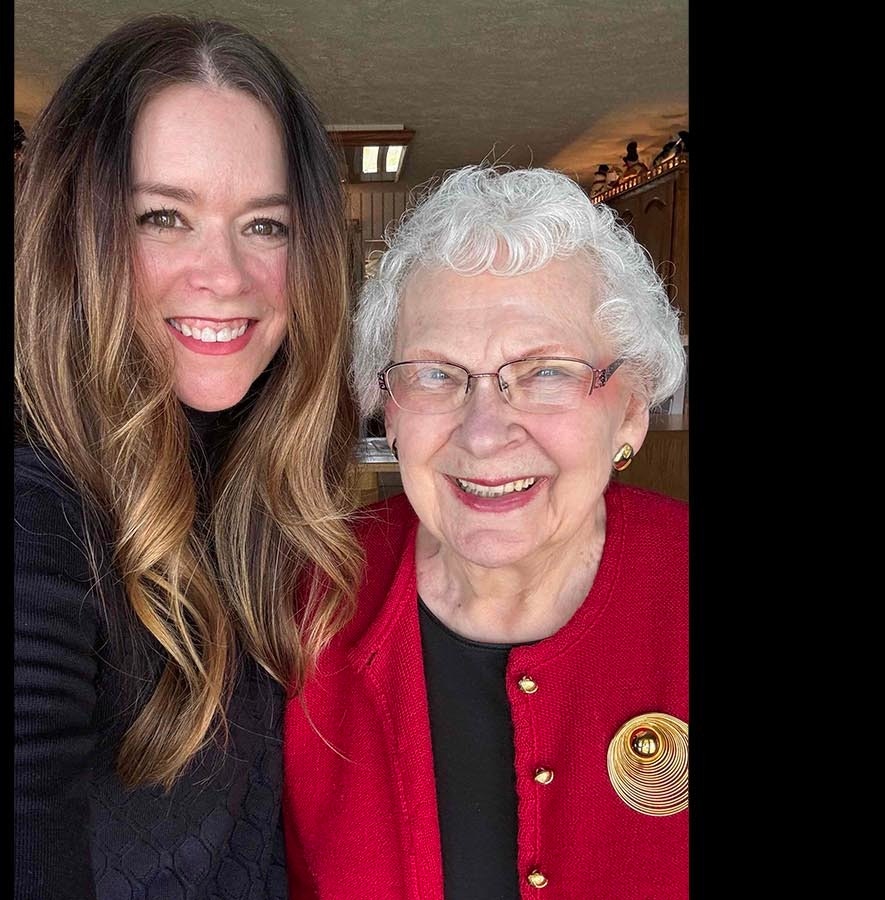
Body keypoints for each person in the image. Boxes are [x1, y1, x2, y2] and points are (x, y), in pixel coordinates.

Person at [14, 15, 363, 899]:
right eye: (163, 216)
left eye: (266, 226)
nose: (226, 275)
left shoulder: (262, 486)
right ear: (75, 237)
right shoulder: (35, 509)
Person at [284, 165, 689, 899]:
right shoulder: (306, 601)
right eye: (436, 375)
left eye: (545, 373)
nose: (484, 432)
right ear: (391, 411)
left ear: (629, 411)